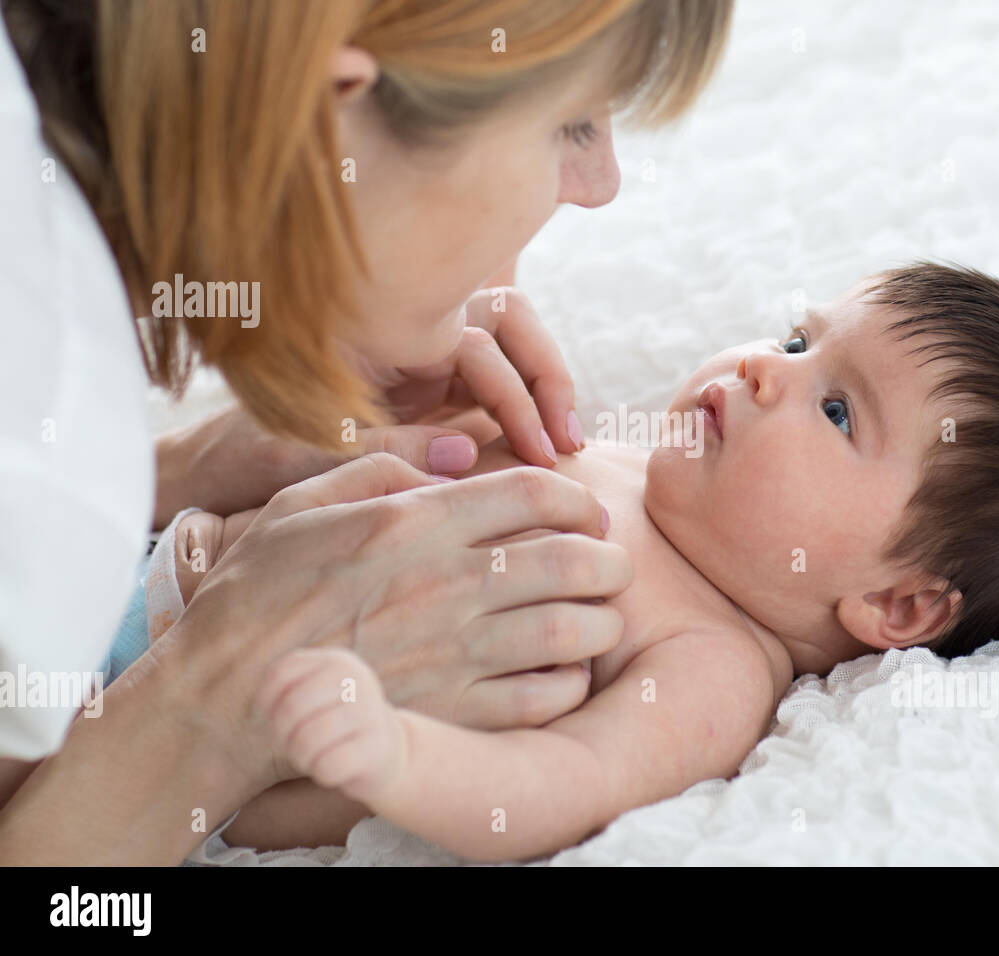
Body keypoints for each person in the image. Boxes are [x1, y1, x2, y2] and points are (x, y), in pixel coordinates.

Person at [0, 0, 734, 864]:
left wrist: (177, 468)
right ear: (327, 120)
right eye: (571, 123)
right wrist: (219, 702)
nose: (601, 183)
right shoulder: (48, 391)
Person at [132, 264, 999, 860]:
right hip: (146, 563)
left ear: (900, 603)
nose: (761, 371)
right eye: (792, 339)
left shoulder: (714, 664)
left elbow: (562, 783)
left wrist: (392, 751)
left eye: (835, 407)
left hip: (154, 729)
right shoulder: (632, 461)